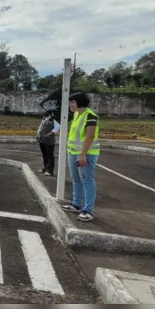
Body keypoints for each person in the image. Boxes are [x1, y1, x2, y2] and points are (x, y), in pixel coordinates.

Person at [61, 92, 100, 222]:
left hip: (86, 153)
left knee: (87, 181)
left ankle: (88, 210)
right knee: (76, 179)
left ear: (79, 102)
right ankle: (76, 204)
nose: (70, 105)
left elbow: (89, 137)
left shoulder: (90, 116)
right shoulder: (77, 114)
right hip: (73, 152)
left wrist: (82, 154)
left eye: (72, 102)